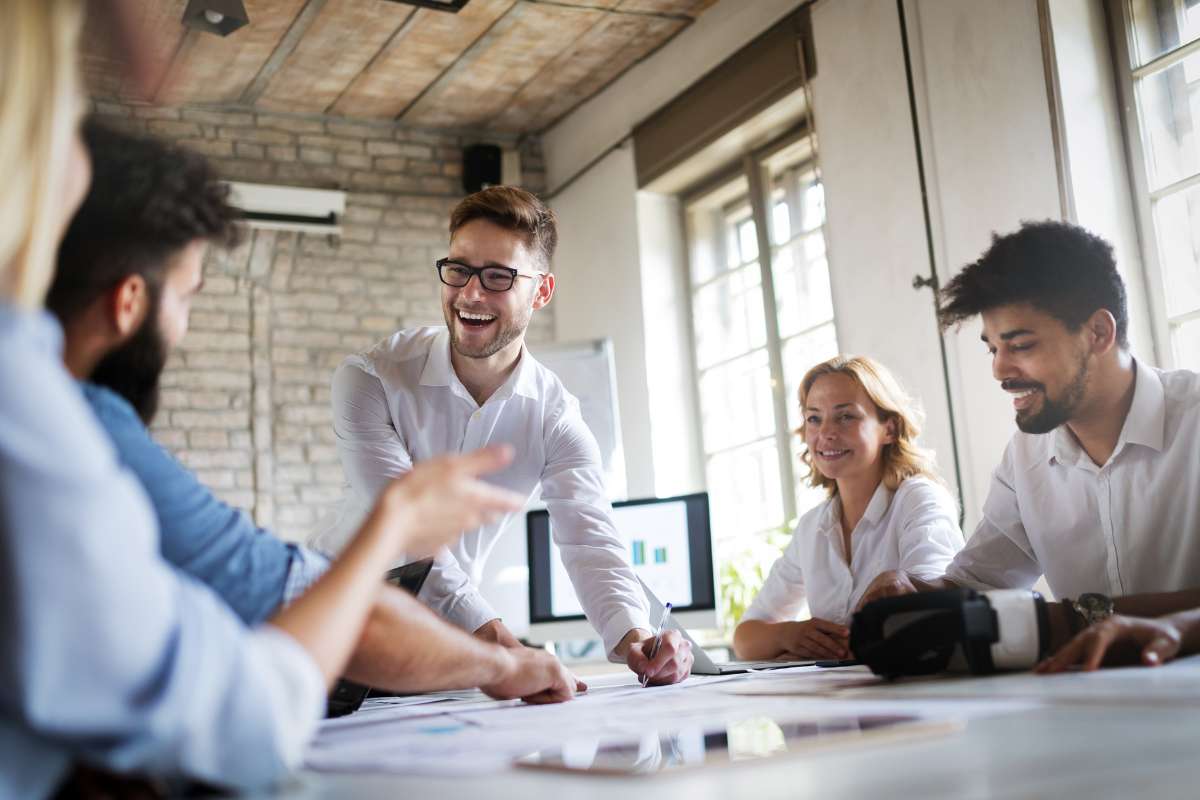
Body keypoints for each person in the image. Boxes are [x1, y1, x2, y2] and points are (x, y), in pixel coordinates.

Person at [0, 3, 531, 795]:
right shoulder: (53, 419)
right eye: (188, 296)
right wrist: (399, 531)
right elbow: (240, 718)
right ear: (128, 303)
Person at [45, 118, 580, 701]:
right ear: (129, 303)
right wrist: (503, 663)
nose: (472, 293)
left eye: (497, 277)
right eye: (188, 295)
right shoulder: (99, 444)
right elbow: (345, 622)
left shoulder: (39, 413)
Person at [312, 186, 692, 685]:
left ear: (541, 291)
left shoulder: (556, 419)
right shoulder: (371, 379)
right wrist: (507, 652)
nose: (471, 293)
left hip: (441, 655)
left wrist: (637, 639)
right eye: (459, 269)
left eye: (498, 276)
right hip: (328, 634)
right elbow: (409, 531)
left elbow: (591, 541)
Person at [857, 221, 1200, 647]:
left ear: (1098, 333)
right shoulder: (1026, 457)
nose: (999, 370)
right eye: (993, 348)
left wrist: (1073, 619)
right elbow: (979, 583)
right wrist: (912, 591)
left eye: (1020, 346)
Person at [733, 356, 962, 661]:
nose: (825, 433)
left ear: (889, 428)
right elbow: (745, 639)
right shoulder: (813, 527)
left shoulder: (919, 500)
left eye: (845, 417)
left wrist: (820, 650)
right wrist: (788, 635)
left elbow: (929, 617)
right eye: (814, 418)